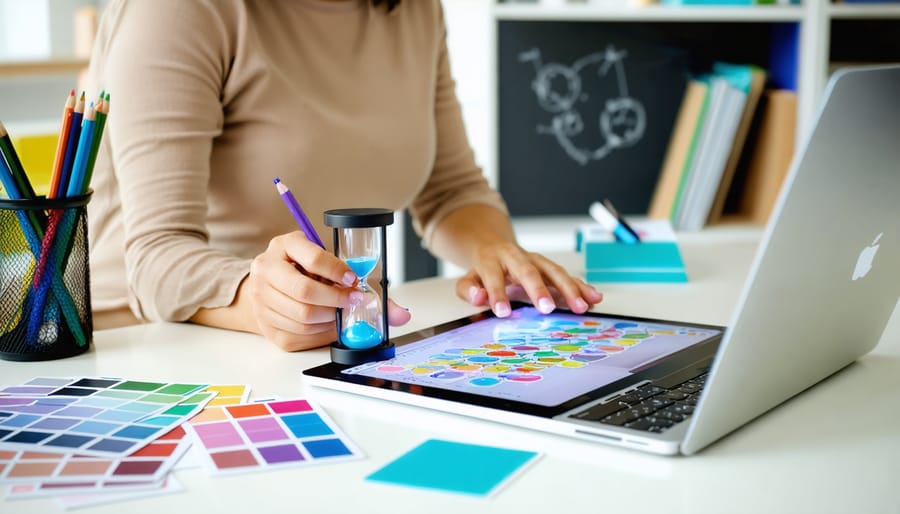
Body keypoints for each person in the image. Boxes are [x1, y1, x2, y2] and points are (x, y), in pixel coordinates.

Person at [83, 0, 604, 351]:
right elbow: (155, 255)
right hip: (142, 349)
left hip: (306, 350)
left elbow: (451, 190)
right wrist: (256, 298)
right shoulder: (177, 11)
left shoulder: (415, 9)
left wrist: (493, 251)